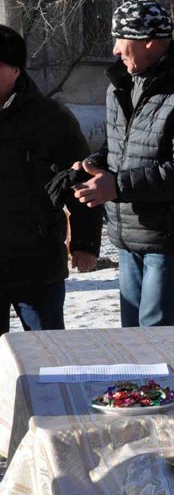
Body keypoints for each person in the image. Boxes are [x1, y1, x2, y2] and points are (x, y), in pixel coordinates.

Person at [73, 0, 174, 327]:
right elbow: (120, 149)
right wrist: (89, 166)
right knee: (132, 340)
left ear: (149, 43)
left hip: (168, 241)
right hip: (127, 236)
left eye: (120, 40)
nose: (114, 50)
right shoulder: (121, 85)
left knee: (156, 341)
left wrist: (118, 185)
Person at [0, 25, 102, 335]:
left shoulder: (51, 119)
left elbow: (81, 179)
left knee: (46, 354)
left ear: (15, 70)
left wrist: (84, 243)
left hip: (36, 262)